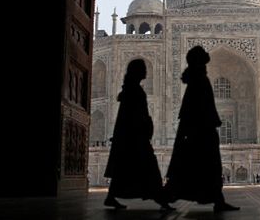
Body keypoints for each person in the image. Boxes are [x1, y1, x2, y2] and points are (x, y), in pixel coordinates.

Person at [164, 46, 240, 212]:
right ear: (199, 61)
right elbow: (200, 106)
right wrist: (213, 122)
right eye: (204, 59)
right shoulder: (199, 79)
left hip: (198, 131)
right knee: (203, 167)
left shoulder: (196, 78)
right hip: (201, 132)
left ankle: (217, 200)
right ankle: (166, 197)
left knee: (194, 167)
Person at [103, 59, 174, 211]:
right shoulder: (134, 91)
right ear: (137, 72)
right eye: (143, 69)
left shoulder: (130, 89)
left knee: (124, 169)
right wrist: (144, 129)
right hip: (135, 137)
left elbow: (124, 118)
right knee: (149, 168)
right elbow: (134, 116)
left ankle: (111, 196)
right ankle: (161, 199)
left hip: (130, 137)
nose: (146, 72)